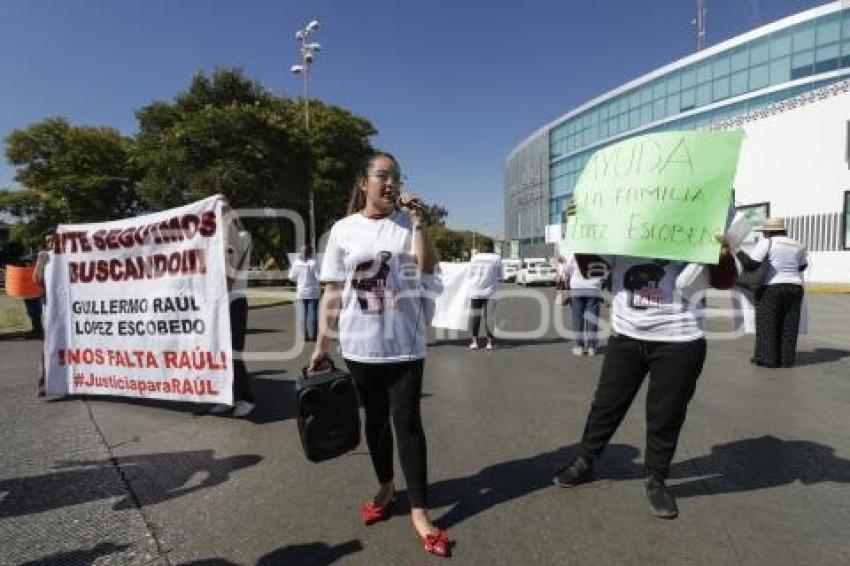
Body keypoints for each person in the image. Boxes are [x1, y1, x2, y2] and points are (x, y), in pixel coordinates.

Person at [309, 152, 450, 558]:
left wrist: (420, 224)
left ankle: (420, 511)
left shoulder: (408, 225)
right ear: (363, 182)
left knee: (407, 424)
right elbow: (332, 290)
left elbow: (425, 269)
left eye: (397, 178)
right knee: (376, 423)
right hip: (359, 346)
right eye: (383, 176)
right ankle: (387, 488)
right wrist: (321, 345)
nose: (391, 184)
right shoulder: (342, 230)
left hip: (403, 345)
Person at [553, 242, 737, 519]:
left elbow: (724, 282)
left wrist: (722, 254)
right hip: (626, 335)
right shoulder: (623, 217)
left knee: (666, 414)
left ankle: (656, 479)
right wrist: (585, 234)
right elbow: (594, 271)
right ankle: (585, 460)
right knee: (606, 405)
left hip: (680, 337)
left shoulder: (701, 217)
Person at [737, 217, 807, 368]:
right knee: (789, 324)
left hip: (772, 287)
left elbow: (751, 264)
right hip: (795, 288)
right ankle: (786, 359)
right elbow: (802, 266)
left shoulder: (767, 243)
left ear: (768, 232)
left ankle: (767, 359)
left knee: (767, 323)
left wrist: (737, 251)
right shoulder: (798, 245)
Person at [210, 202, 255, 418]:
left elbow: (229, 273)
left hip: (234, 302)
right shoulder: (216, 240)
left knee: (234, 353)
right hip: (219, 303)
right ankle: (225, 398)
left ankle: (246, 399)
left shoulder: (243, 237)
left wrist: (224, 208)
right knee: (220, 355)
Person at [562, 252, 605, 356]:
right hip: (593, 288)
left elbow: (566, 271)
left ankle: (579, 346)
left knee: (577, 318)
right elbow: (605, 272)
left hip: (577, 288)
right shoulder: (599, 255)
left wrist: (566, 285)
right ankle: (591, 347)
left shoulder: (575, 255)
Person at [466, 241, 501, 350]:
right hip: (490, 292)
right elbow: (500, 275)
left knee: (475, 317)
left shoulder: (475, 258)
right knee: (489, 317)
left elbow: (469, 274)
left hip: (476, 291)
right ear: (491, 247)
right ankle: (489, 343)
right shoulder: (497, 258)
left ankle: (475, 342)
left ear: (481, 246)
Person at [31, 231, 54, 396]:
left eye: (54, 240)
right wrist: (40, 263)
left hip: (67, 307)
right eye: (48, 241)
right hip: (48, 305)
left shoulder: (70, 256)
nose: (51, 243)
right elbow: (35, 279)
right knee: (47, 344)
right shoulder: (45, 258)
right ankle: (43, 383)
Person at [288, 244, 321, 342]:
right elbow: (319, 277)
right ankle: (314, 335)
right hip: (313, 292)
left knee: (303, 314)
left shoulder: (296, 263)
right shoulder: (314, 263)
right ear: (311, 252)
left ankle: (304, 336)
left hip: (301, 292)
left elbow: (291, 277)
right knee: (313, 314)